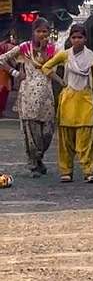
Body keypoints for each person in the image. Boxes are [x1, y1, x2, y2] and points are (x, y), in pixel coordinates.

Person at [42, 23, 93, 184]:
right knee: (66, 138)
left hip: (85, 101)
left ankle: (88, 171)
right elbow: (47, 67)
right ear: (70, 38)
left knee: (86, 138)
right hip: (68, 99)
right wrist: (61, 82)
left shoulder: (92, 58)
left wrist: (86, 92)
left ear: (85, 39)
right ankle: (66, 171)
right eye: (74, 37)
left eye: (80, 37)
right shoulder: (64, 55)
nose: (77, 40)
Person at [0, 20, 57, 176]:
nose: (42, 34)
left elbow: (52, 69)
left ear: (49, 33)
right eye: (39, 31)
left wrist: (44, 51)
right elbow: (2, 59)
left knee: (47, 133)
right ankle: (33, 164)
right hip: (28, 95)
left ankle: (38, 158)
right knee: (32, 134)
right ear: (33, 32)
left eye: (45, 31)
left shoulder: (53, 50)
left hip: (46, 96)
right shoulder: (24, 48)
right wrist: (16, 73)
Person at [0, 31, 15, 117]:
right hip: (4, 73)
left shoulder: (8, 47)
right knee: (3, 92)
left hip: (4, 73)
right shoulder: (9, 47)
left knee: (3, 92)